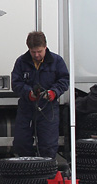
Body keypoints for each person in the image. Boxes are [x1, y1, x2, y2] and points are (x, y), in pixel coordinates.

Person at [11, 31, 69, 159]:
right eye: (33, 52)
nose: (37, 55)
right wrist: (28, 93)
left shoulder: (57, 61)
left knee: (48, 145)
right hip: (26, 108)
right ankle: (27, 168)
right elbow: (16, 83)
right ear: (28, 49)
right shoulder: (21, 62)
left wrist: (54, 92)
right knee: (21, 143)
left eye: (39, 51)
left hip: (48, 108)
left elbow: (64, 80)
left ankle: (46, 169)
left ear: (45, 47)